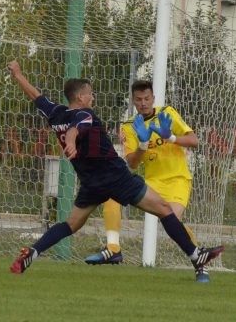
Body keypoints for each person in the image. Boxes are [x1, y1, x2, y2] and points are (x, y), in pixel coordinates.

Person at [6, 61, 224, 279]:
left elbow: (36, 97)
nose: (92, 97)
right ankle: (197, 256)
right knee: (165, 210)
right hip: (116, 177)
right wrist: (71, 141)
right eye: (90, 94)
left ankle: (34, 251)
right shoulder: (85, 114)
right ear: (80, 98)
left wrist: (17, 74)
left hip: (91, 183)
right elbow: (75, 128)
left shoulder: (56, 114)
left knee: (70, 225)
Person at [84, 80, 209, 282]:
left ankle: (199, 265)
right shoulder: (129, 126)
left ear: (153, 99)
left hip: (177, 178)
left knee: (173, 222)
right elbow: (132, 164)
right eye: (138, 99)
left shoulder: (167, 113)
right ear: (133, 101)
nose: (143, 103)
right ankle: (113, 248)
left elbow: (194, 141)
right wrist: (143, 144)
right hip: (152, 181)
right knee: (112, 195)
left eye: (147, 98)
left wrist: (171, 137)